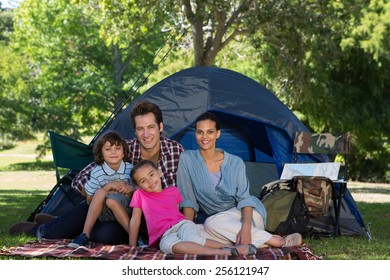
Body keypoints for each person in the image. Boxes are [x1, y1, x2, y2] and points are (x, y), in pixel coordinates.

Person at [9, 101, 184, 244]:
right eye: (140, 129)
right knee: (97, 204)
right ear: (135, 130)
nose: (146, 134)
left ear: (160, 127)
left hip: (150, 221)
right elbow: (80, 178)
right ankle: (39, 230)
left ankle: (61, 223)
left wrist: (134, 190)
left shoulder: (175, 150)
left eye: (151, 127)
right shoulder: (124, 149)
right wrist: (103, 190)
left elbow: (175, 193)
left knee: (104, 235)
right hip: (115, 211)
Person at [176, 112, 302, 248]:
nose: (204, 137)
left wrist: (246, 229)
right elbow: (188, 200)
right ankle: (262, 242)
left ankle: (277, 241)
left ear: (217, 134)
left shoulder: (236, 162)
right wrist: (188, 229)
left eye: (210, 132)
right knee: (196, 233)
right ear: (195, 134)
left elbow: (245, 200)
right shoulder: (187, 159)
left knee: (211, 224)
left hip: (247, 216)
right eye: (200, 132)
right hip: (221, 225)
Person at [129, 159, 256, 256]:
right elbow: (135, 221)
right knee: (167, 246)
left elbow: (181, 210)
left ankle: (229, 248)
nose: (150, 181)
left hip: (182, 224)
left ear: (159, 172)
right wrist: (132, 247)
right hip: (164, 234)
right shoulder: (140, 195)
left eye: (151, 175)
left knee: (193, 238)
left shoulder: (173, 191)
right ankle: (223, 252)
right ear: (139, 187)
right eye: (143, 181)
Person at [68, 131, 133, 248]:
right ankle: (84, 235)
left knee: (111, 200)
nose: (113, 152)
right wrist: (108, 187)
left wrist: (129, 188)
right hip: (105, 212)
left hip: (127, 209)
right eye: (108, 149)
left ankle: (135, 237)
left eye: (117, 148)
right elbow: (89, 200)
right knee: (101, 193)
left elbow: (139, 192)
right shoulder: (97, 172)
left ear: (123, 152)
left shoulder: (130, 169)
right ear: (101, 154)